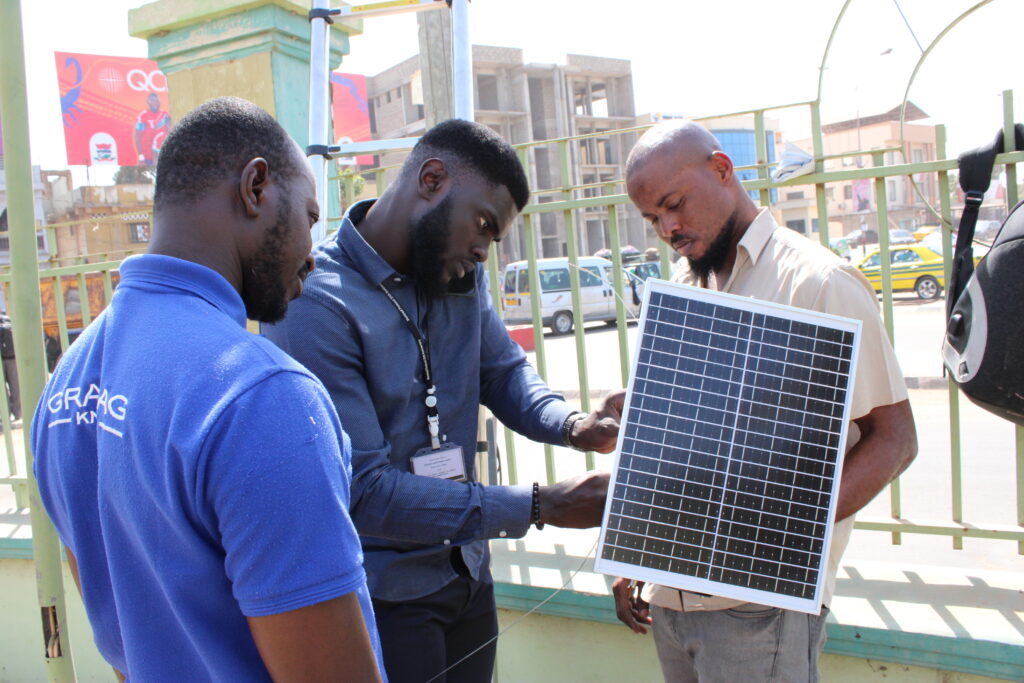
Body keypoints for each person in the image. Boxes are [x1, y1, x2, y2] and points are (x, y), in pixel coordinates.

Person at [31, 97, 384, 682]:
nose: (313, 257)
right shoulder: (262, 397)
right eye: (310, 218)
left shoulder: (66, 381)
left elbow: (125, 632)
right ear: (256, 188)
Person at [265, 118, 622, 682]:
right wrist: (539, 505)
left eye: (494, 238)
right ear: (432, 178)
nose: (483, 252)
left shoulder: (457, 273)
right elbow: (365, 491)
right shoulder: (318, 303)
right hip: (387, 596)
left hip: (466, 570)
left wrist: (576, 425)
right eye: (482, 224)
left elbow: (502, 370)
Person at [611, 120, 918, 682]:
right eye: (653, 219)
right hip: (670, 604)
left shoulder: (818, 282)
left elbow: (894, 441)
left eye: (674, 205)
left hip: (761, 607)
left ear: (723, 170)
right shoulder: (681, 289)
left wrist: (775, 536)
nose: (668, 228)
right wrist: (641, 545)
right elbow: (690, 442)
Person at [134, 92, 171, 166]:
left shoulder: (165, 115)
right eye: (153, 101)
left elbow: (169, 132)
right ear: (148, 102)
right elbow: (137, 137)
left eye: (157, 101)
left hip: (161, 156)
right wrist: (141, 157)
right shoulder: (143, 116)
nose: (156, 103)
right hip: (146, 158)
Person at [0, 311, 20, 423]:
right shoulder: (9, 320)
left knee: (2, 390)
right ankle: (18, 414)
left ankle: (5, 415)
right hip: (13, 357)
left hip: (1, 359)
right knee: (15, 386)